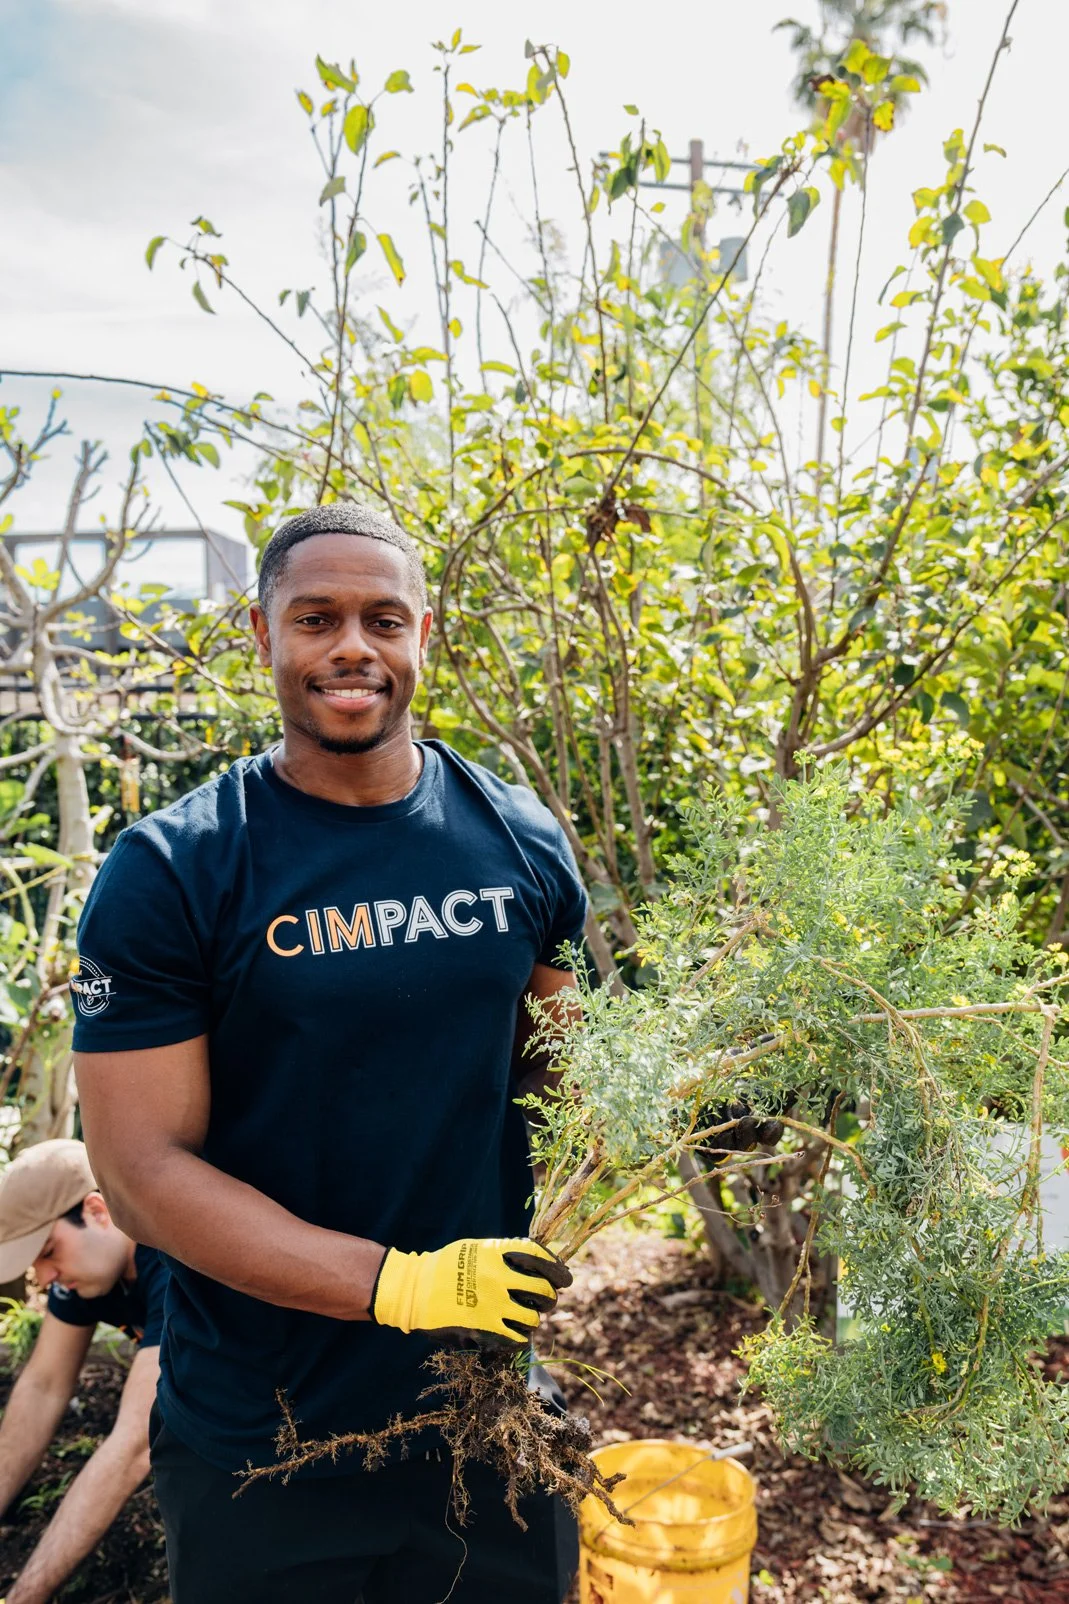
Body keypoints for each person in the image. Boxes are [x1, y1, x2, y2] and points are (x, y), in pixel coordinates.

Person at [71, 503, 588, 1604]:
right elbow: (143, 1175)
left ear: (423, 635)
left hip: (482, 1418)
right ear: (261, 634)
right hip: (266, 1438)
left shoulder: (517, 837)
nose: (352, 645)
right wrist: (396, 1283)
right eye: (316, 618)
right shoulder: (176, 869)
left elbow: (564, 1072)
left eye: (381, 618)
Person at [0, 1139, 165, 1604]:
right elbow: (44, 1385)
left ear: (98, 1211)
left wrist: (22, 1597)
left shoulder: (175, 1261)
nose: (45, 1277)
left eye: (49, 1251)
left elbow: (134, 1444)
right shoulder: (92, 1268)